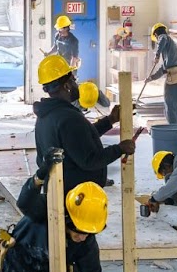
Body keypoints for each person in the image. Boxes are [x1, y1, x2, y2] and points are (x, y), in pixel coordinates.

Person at [33, 53, 136, 192]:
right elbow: (90, 160)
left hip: (59, 190)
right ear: (67, 86)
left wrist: (110, 120)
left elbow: (79, 138)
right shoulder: (68, 118)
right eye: (74, 80)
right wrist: (120, 149)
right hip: (77, 197)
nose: (77, 84)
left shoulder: (47, 115)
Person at [146, 22, 177, 126]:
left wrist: (157, 54)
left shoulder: (164, 38)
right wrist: (151, 78)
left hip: (176, 78)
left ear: (156, 35)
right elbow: (164, 69)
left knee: (170, 106)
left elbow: (162, 38)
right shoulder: (171, 49)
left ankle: (173, 130)